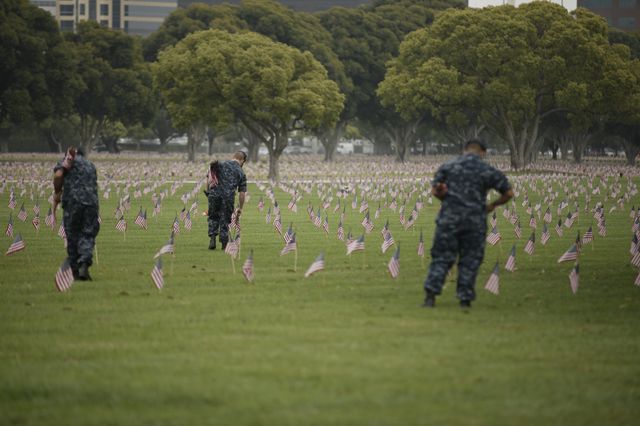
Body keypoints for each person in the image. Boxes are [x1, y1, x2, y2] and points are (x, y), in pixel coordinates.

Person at [423, 139, 513, 309]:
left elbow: (436, 190)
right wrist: (492, 205)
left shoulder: (448, 166)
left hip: (449, 219)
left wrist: (445, 199)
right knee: (470, 259)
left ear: (464, 150)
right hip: (474, 221)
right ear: (483, 152)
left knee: (442, 257)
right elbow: (508, 193)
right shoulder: (487, 170)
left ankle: (430, 297)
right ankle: (465, 300)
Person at [52, 147, 100, 280]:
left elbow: (58, 175)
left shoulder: (68, 160)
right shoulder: (91, 165)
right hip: (91, 203)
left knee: (72, 236)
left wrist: (57, 191)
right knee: (87, 234)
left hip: (73, 203)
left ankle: (75, 271)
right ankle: (84, 263)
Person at [205, 151, 247, 250]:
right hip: (228, 198)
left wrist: (208, 192)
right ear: (242, 160)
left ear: (234, 156)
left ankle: (212, 239)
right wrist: (240, 208)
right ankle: (224, 244)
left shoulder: (219, 164)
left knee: (213, 217)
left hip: (214, 195)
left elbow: (209, 178)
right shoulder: (241, 172)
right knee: (225, 219)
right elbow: (242, 193)